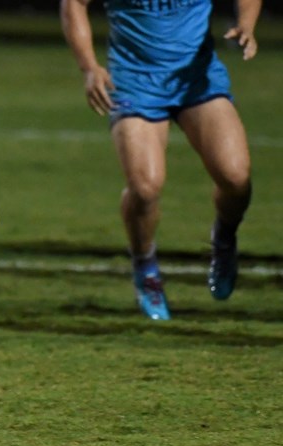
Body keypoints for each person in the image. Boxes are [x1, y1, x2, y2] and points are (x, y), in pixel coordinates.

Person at [60, 0, 261, 320]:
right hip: (134, 83)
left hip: (196, 80)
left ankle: (224, 239)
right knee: (145, 187)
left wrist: (246, 24)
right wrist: (89, 68)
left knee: (235, 176)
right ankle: (145, 267)